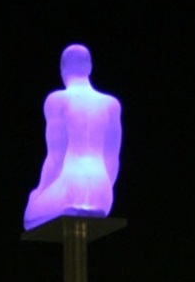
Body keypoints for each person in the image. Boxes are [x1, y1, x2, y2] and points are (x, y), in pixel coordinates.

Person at [23, 42, 123, 227]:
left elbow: (55, 158)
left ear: (62, 67)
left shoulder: (57, 100)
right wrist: (102, 189)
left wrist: (40, 191)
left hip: (70, 185)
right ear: (90, 66)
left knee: (29, 216)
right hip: (103, 191)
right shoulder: (111, 105)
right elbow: (112, 160)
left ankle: (65, 207)